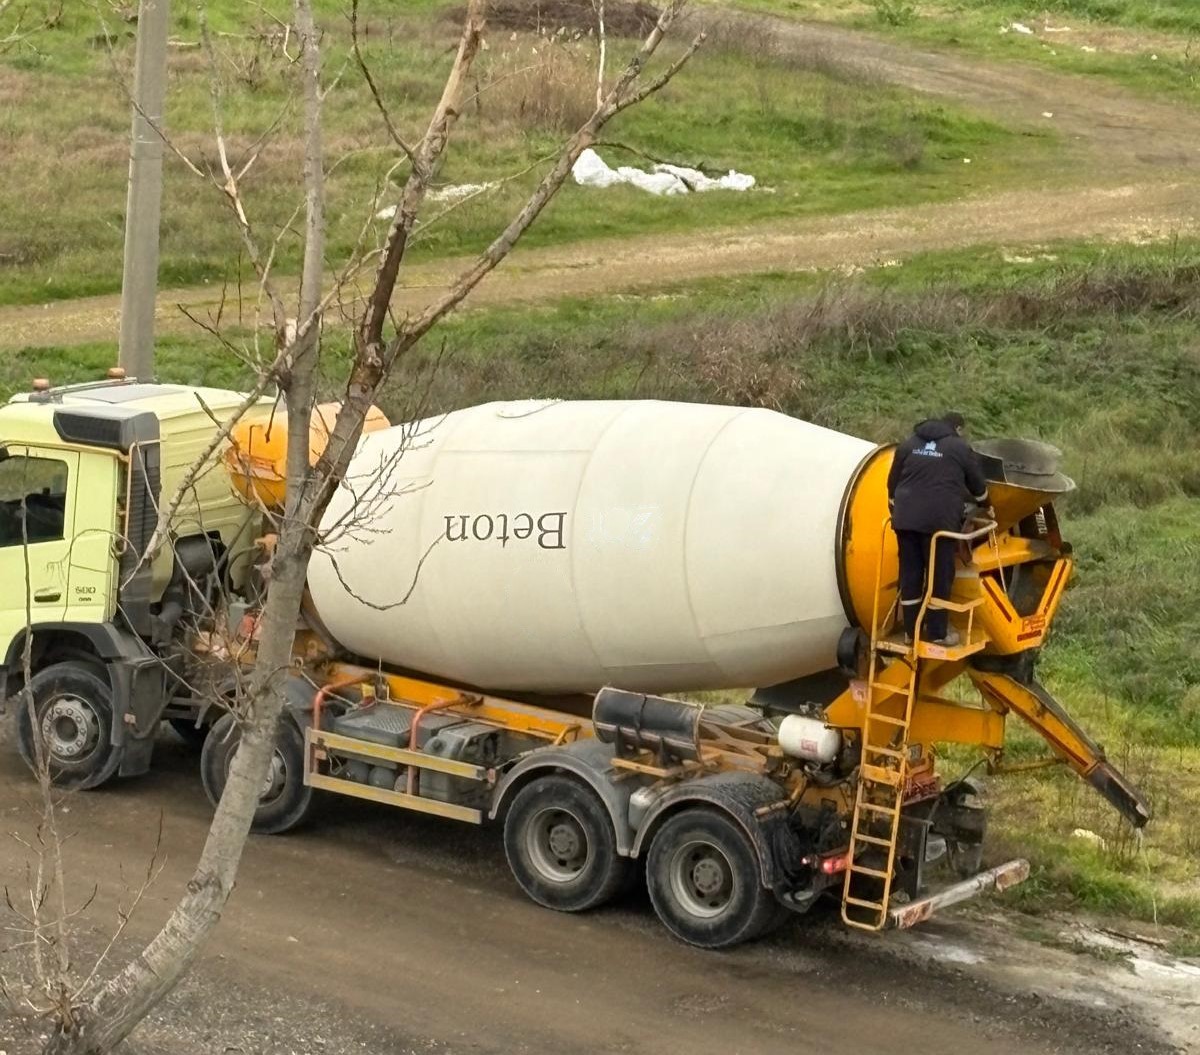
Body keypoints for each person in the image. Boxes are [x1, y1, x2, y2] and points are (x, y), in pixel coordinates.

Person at [886, 412, 990, 646]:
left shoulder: (908, 444)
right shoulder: (960, 447)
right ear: (958, 429)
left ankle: (911, 634)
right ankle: (937, 633)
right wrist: (988, 506)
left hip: (906, 521)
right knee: (939, 576)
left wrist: (898, 509)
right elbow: (978, 486)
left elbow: (892, 485)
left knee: (910, 576)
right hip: (940, 524)